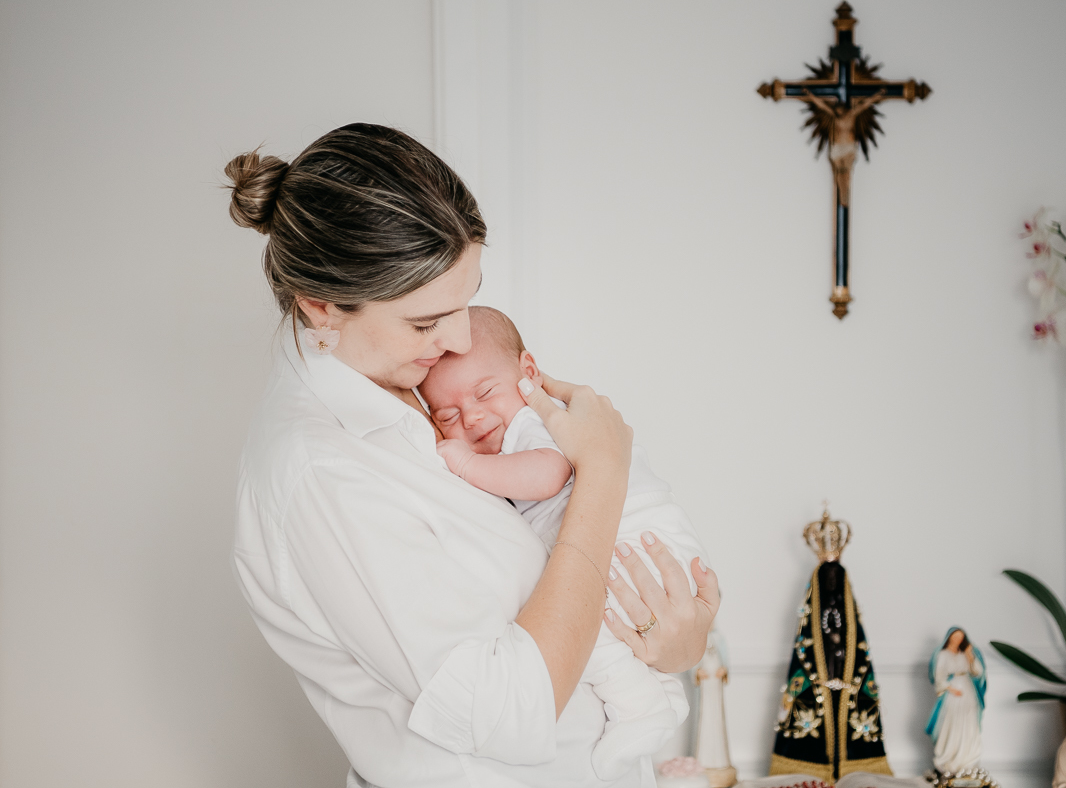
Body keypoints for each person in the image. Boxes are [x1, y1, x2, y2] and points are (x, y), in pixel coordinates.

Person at [225, 123, 720, 788]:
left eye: (467, 298)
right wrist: (602, 471)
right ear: (322, 306)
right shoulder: (322, 474)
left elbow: (560, 580)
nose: (459, 337)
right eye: (426, 322)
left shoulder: (401, 383)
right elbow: (509, 710)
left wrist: (672, 644)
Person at [418, 305, 708, 779]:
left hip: (638, 538)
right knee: (587, 626)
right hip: (636, 544)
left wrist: (467, 465)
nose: (471, 417)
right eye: (447, 415)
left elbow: (549, 473)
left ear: (527, 373)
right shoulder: (507, 439)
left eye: (485, 392)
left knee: (578, 627)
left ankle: (641, 707)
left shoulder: (537, 423)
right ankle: (661, 696)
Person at [925, 627, 986, 775]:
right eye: (955, 636)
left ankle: (967, 760)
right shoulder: (943, 654)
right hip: (953, 693)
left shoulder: (965, 654)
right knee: (951, 722)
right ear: (950, 637)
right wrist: (950, 688)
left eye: (961, 637)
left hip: (968, 691)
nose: (958, 639)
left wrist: (969, 654)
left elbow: (977, 672)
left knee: (969, 722)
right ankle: (949, 759)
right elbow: (939, 676)